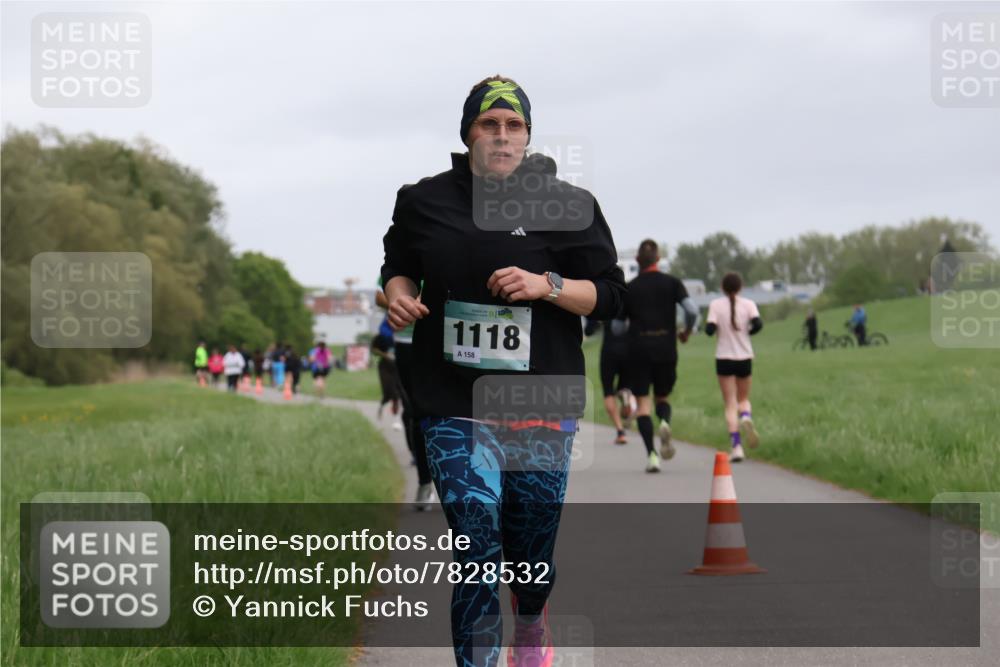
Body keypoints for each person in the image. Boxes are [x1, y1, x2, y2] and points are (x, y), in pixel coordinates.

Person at [381, 75, 625, 667]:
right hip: (452, 398)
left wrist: (548, 285)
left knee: (530, 549)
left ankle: (533, 621)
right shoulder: (423, 200)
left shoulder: (570, 207)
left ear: (528, 135)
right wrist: (397, 295)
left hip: (539, 397)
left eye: (513, 125)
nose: (501, 136)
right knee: (478, 544)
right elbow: (397, 265)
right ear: (467, 133)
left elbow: (613, 297)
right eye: (488, 124)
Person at [624, 240, 698, 473]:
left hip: (638, 350)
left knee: (643, 404)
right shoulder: (673, 283)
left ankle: (652, 456)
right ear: (658, 259)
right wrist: (686, 331)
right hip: (666, 346)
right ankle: (665, 422)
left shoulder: (630, 287)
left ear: (637, 261)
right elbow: (692, 311)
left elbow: (616, 328)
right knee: (662, 397)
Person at [377, 281, 436, 510]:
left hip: (446, 340)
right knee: (416, 413)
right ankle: (424, 482)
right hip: (407, 342)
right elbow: (379, 296)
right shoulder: (407, 250)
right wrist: (404, 303)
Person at [705, 272, 762, 463]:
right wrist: (747, 332)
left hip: (724, 358)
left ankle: (736, 446)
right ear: (740, 287)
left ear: (722, 287)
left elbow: (709, 330)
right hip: (744, 356)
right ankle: (745, 415)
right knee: (743, 398)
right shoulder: (749, 304)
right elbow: (758, 324)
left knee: (730, 403)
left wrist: (717, 330)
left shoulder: (715, 305)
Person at [585, 317, 634, 445]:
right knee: (625, 387)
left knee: (608, 391)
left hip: (609, 352)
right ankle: (625, 398)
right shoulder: (630, 299)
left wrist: (594, 323)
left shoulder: (609, 300)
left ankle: (620, 431)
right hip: (629, 351)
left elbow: (589, 330)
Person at [371, 320, 402, 428]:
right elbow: (374, 350)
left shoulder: (401, 335)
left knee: (397, 393)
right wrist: (385, 355)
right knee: (387, 393)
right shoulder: (381, 337)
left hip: (397, 367)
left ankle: (396, 418)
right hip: (385, 368)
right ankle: (381, 407)